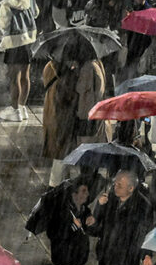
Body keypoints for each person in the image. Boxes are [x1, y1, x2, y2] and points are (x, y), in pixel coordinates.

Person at [88, 170, 155, 265]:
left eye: (119, 185)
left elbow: (145, 233)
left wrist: (146, 254)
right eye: (114, 183)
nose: (115, 187)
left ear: (131, 188)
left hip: (126, 260)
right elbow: (95, 228)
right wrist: (99, 206)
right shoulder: (109, 200)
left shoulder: (143, 206)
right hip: (107, 256)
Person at [41, 55, 107, 186]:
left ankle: (59, 188)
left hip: (59, 122)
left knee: (62, 158)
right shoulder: (85, 69)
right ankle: (60, 189)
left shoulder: (51, 66)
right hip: (64, 122)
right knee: (64, 157)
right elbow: (74, 97)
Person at [0, 0, 39, 122]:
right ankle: (22, 107)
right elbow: (36, 13)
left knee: (14, 78)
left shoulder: (6, 4)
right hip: (29, 40)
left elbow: (4, 25)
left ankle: (14, 110)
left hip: (14, 43)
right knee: (25, 76)